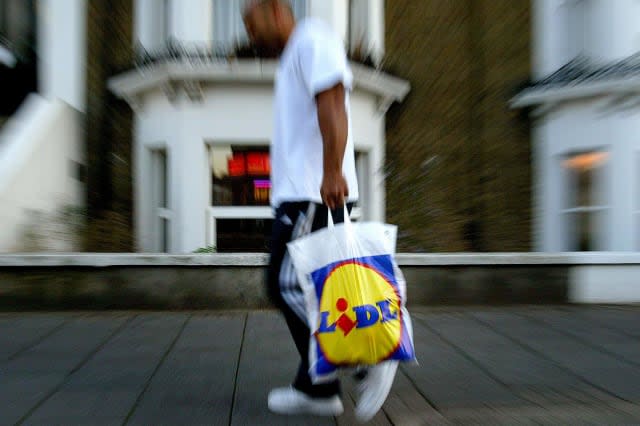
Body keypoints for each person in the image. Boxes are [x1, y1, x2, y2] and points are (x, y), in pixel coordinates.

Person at [242, 0, 398, 421]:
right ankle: (319, 386)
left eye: (251, 24)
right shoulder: (295, 53)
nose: (249, 36)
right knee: (303, 287)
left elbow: (333, 104)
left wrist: (332, 173)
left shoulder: (312, 39)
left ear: (276, 10)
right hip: (302, 193)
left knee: (287, 285)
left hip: (313, 193)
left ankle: (367, 355)